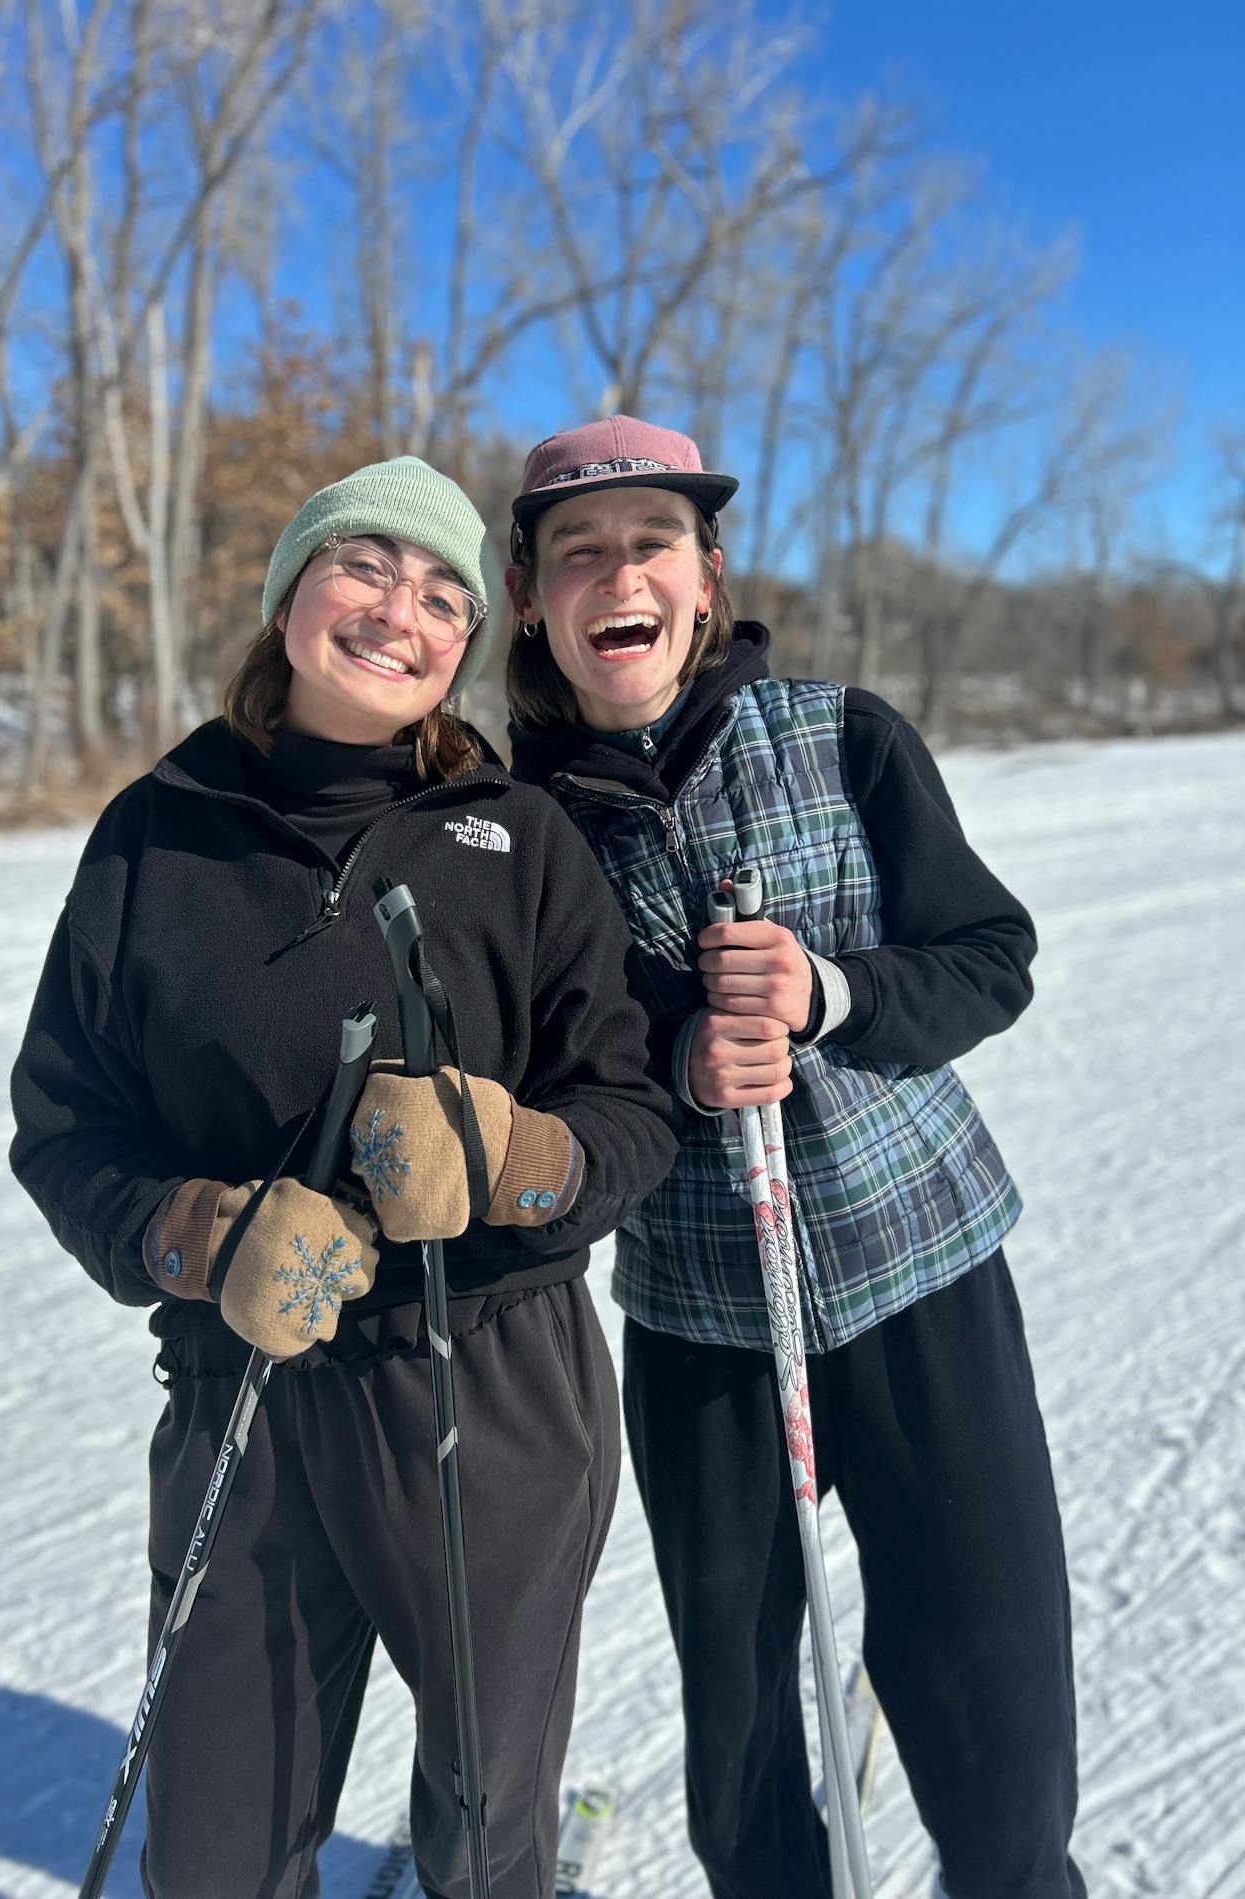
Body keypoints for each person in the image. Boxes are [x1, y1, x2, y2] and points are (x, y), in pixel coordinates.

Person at [9, 454, 678, 1899]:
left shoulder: (523, 840)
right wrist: (194, 1234)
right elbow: (64, 1125)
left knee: (487, 1815)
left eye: (443, 592)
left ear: (465, 646)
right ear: (292, 596)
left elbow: (630, 1111)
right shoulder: (154, 831)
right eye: (365, 566)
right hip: (239, 1376)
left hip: (489, 1380)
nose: (402, 611)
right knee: (216, 1847)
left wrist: (516, 1153)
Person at [504, 415, 1085, 1899]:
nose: (614, 574)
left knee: (991, 1685)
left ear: (706, 575)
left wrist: (837, 993)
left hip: (921, 1271)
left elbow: (989, 958)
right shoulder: (512, 826)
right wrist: (678, 1060)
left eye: (650, 543)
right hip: (701, 1310)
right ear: (529, 598)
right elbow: (541, 1068)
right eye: (577, 551)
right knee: (745, 1710)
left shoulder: (844, 733)